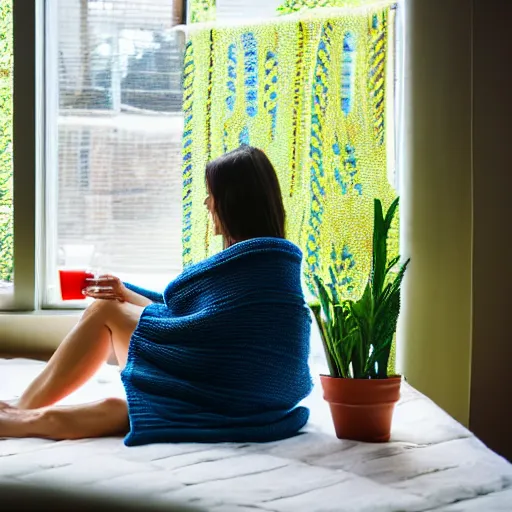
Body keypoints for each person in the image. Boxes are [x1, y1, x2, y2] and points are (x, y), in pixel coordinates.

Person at [0, 146, 313, 445]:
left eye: (212, 194)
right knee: (115, 405)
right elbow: (194, 321)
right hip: (253, 396)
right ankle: (22, 415)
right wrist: (125, 293)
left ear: (233, 201)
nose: (207, 203)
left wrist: (119, 300)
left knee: (103, 311)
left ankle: (23, 408)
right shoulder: (272, 267)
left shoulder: (253, 268)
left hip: (220, 384)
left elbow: (191, 325)